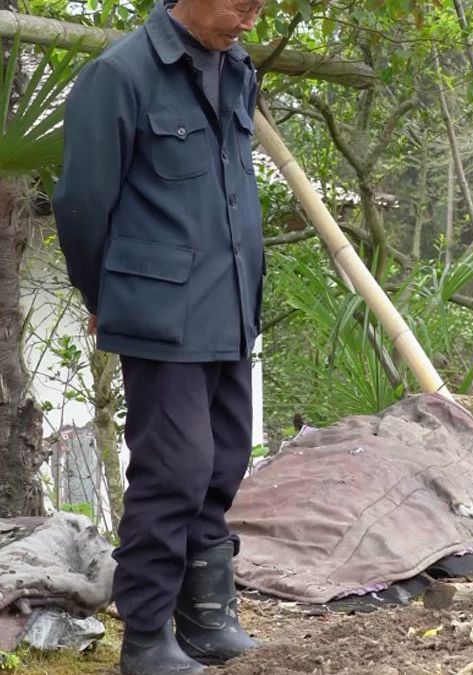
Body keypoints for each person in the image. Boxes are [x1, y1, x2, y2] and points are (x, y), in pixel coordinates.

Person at [53, 0, 266, 672]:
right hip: (160, 312)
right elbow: (82, 205)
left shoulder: (238, 69)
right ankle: (146, 635)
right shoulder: (118, 76)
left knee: (224, 459)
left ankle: (206, 619)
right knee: (172, 469)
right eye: (242, 3)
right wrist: (103, 296)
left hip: (229, 305)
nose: (251, 19)